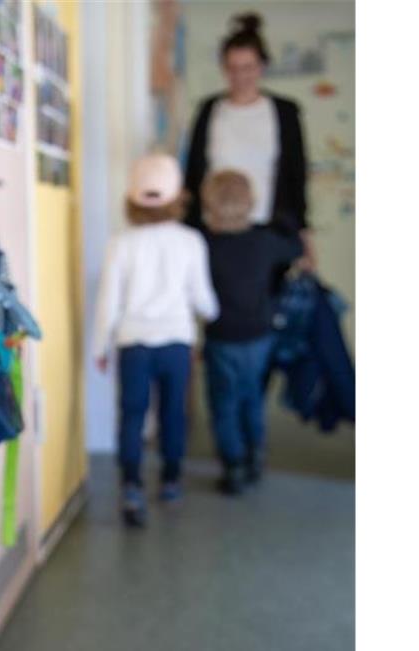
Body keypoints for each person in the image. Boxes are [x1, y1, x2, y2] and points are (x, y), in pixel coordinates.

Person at [92, 154, 219, 527]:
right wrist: (214, 314)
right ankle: (171, 480)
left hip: (133, 342)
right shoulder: (191, 241)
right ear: (179, 197)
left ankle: (131, 486)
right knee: (172, 414)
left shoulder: (121, 243)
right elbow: (203, 299)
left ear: (131, 199)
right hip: (177, 342)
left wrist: (101, 346)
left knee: (132, 414)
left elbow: (108, 301)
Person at [200, 170, 305, 495]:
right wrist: (285, 221)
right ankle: (255, 455)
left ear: (209, 204)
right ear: (251, 202)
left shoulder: (204, 243)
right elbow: (295, 248)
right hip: (259, 334)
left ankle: (232, 465)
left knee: (223, 402)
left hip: (221, 335)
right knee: (252, 398)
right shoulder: (264, 241)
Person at [182, 13, 316, 261]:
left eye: (248, 68)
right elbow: (193, 173)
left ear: (262, 67)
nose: (240, 77)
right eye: (232, 68)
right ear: (223, 68)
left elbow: (296, 174)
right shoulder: (209, 110)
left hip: (271, 230)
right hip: (214, 232)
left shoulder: (284, 112)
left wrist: (305, 234)